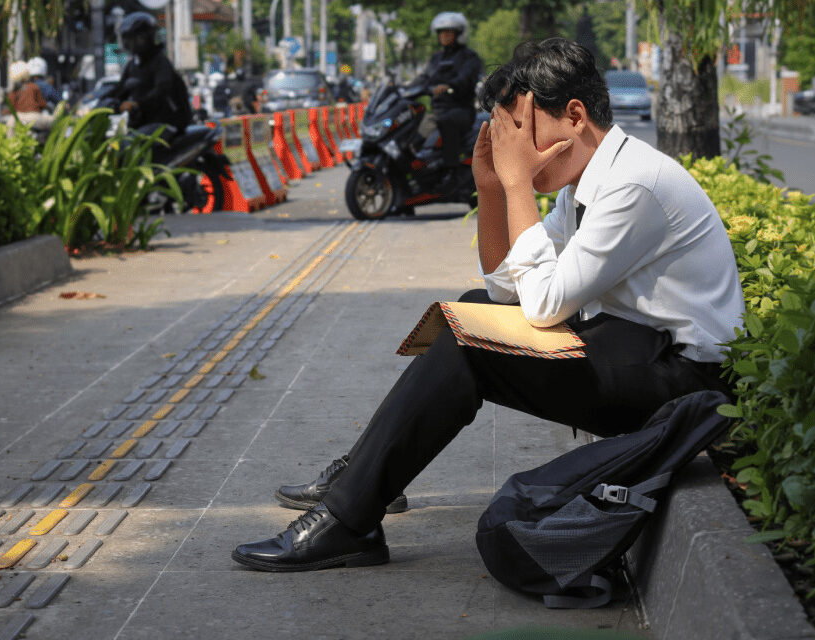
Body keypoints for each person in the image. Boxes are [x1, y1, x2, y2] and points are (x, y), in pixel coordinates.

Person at [232, 38, 745, 572]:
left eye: (520, 132)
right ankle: (363, 483)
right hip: (633, 351)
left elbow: (544, 304)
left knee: (465, 339)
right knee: (475, 311)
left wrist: (518, 180)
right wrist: (492, 190)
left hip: (680, 385)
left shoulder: (635, 184)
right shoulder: (586, 186)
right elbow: (506, 290)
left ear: (573, 116)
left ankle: (348, 516)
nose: (512, 149)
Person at [412, 12, 483, 177]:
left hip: (461, 110)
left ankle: (452, 169)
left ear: (458, 34)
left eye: (448, 32)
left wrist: (449, 85)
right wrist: (403, 87)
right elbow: (424, 77)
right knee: (412, 128)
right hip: (436, 111)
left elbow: (465, 77)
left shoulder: (469, 57)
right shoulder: (436, 59)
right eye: (441, 32)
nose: (443, 36)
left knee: (447, 121)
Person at [108, 11, 193, 130]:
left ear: (146, 37)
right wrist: (106, 102)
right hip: (143, 122)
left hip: (167, 123)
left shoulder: (160, 61)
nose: (129, 44)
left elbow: (162, 90)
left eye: (133, 39)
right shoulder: (133, 64)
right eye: (126, 39)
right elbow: (120, 89)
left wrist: (137, 104)